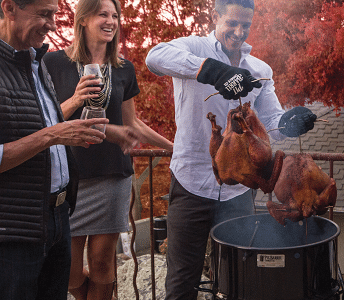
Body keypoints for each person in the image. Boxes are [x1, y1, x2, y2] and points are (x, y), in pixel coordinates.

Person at [145, 0, 317, 298]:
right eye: (232, 23)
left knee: (238, 278)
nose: (239, 32)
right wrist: (212, 71)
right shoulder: (194, 47)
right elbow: (154, 57)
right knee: (182, 281)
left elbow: (273, 124)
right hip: (191, 184)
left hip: (238, 190)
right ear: (216, 17)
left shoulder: (259, 69)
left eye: (246, 25)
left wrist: (291, 122)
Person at [42, 0, 174, 298]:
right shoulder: (52, 63)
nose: (111, 21)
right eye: (103, 14)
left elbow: (133, 123)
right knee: (68, 269)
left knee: (102, 263)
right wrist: (76, 99)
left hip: (112, 175)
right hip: (68, 178)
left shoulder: (124, 68)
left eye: (115, 16)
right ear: (84, 19)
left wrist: (172, 148)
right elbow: (45, 121)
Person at [0, 0, 109, 298]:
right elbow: (45, 135)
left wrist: (71, 131)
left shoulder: (35, 63)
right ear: (10, 8)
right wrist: (52, 135)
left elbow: (40, 127)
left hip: (59, 218)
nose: (52, 24)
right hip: (14, 231)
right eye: (44, 14)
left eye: (55, 15)